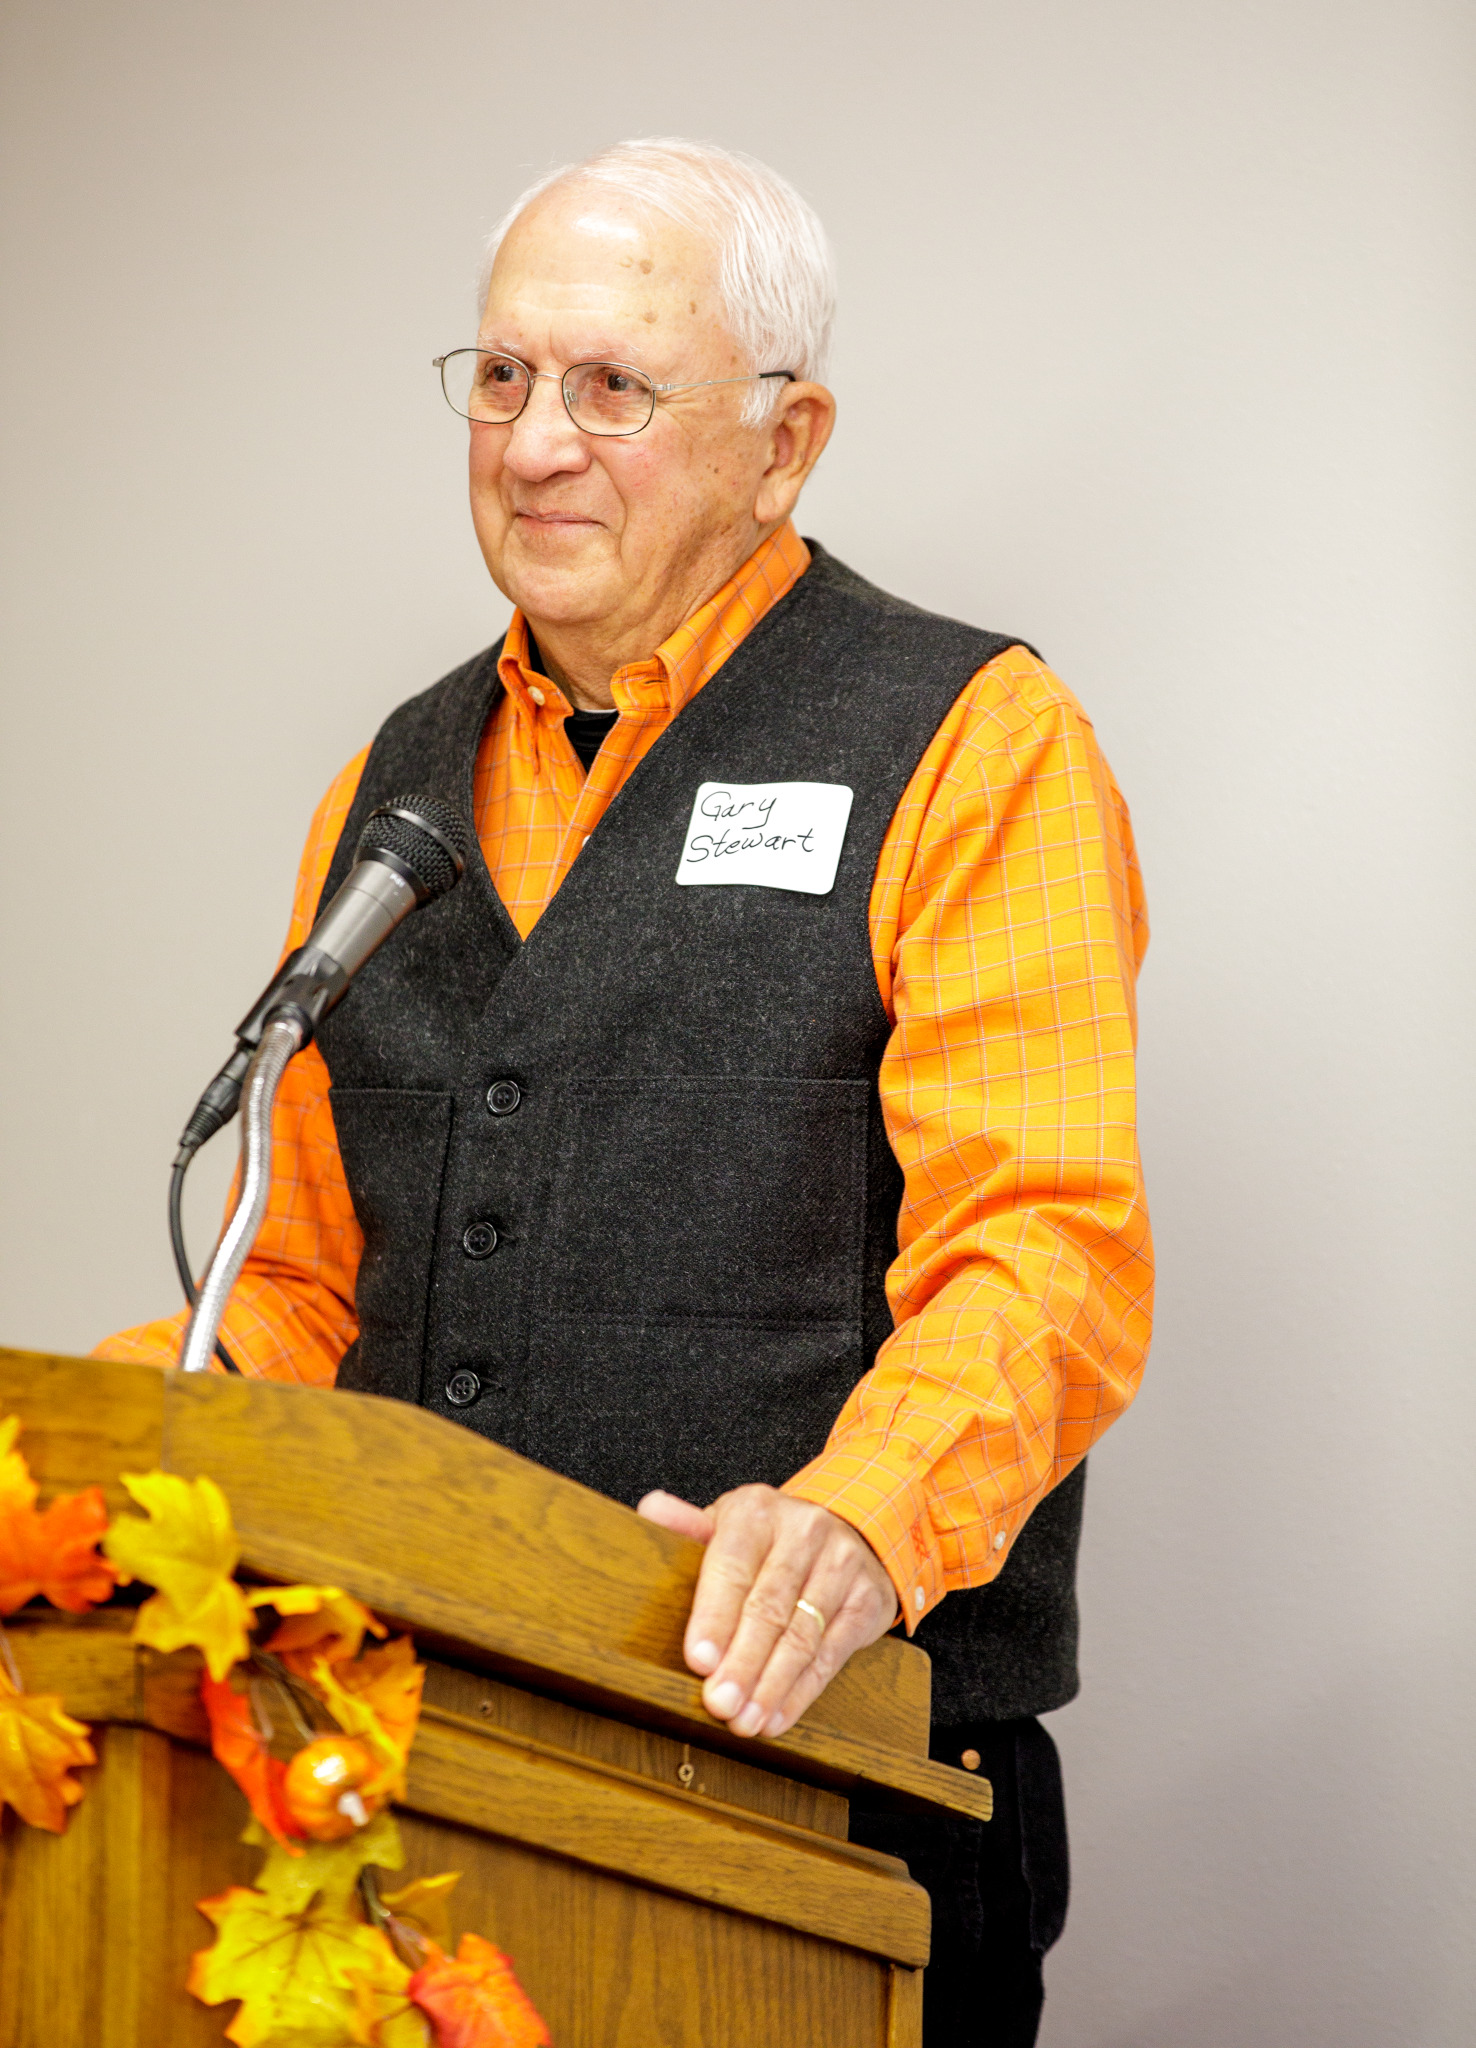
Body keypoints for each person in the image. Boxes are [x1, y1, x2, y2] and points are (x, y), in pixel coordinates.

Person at [99, 138, 1152, 2045]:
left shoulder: (975, 740)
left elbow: (1047, 1257)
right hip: (427, 1768)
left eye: (613, 385)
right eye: (502, 377)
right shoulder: (393, 785)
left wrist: (855, 1523)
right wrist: (94, 1458)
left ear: (787, 436)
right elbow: (308, 1288)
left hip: (829, 1787)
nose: (533, 444)